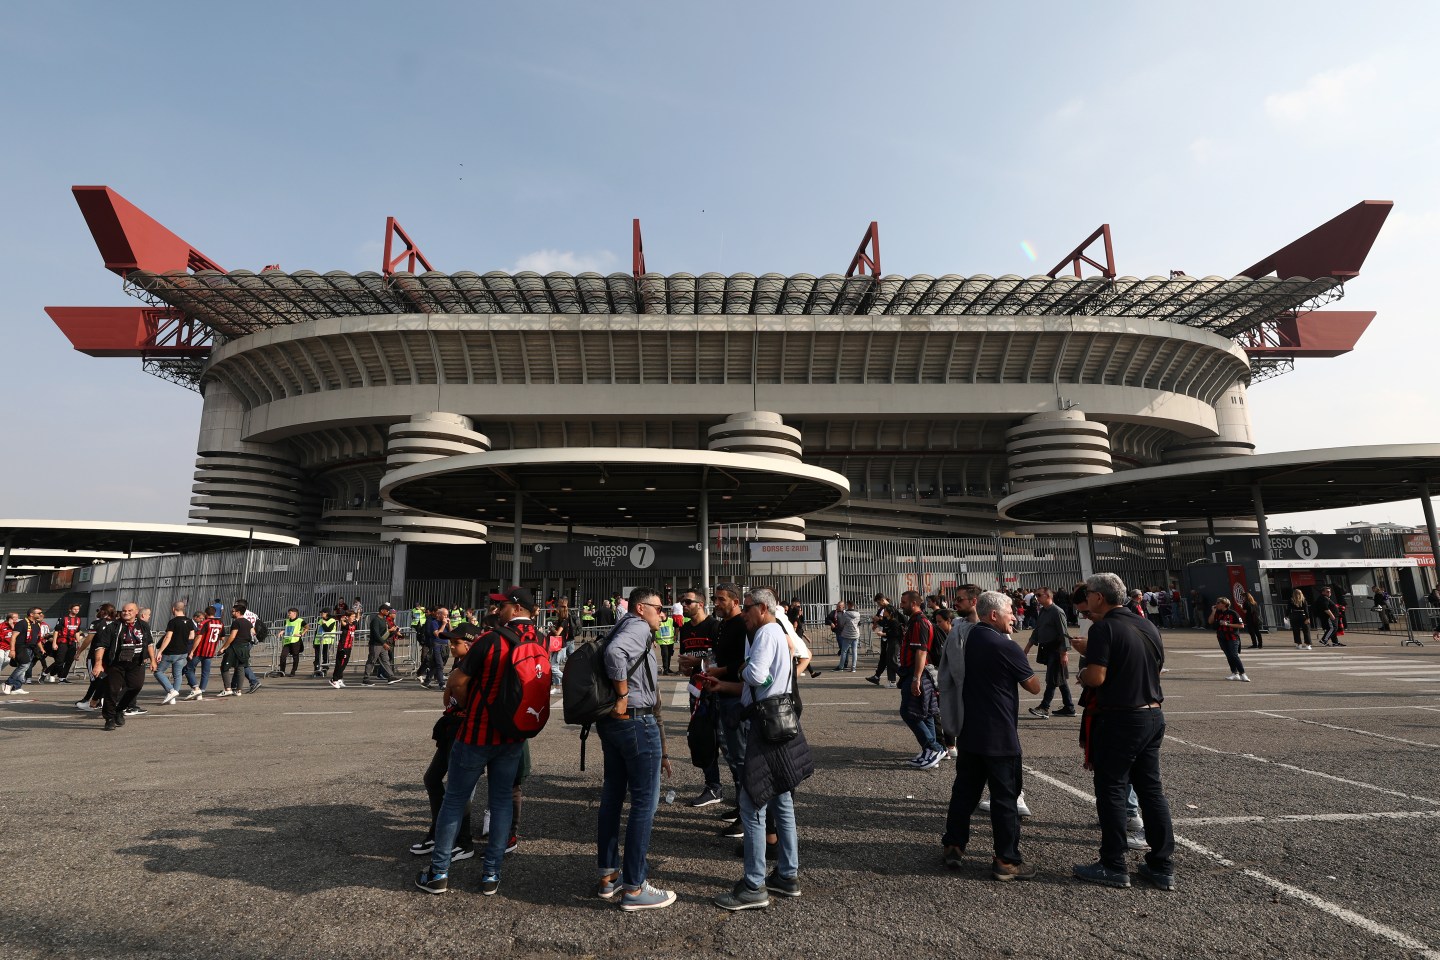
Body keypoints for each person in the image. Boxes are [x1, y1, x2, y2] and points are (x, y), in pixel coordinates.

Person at [414, 586, 542, 897]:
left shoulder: (490, 640)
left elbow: (457, 681)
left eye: (501, 605)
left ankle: (439, 873)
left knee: (454, 800)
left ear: (514, 607)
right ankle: (491, 875)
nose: (497, 610)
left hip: (477, 733)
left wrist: (475, 707)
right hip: (512, 735)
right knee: (500, 804)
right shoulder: (537, 642)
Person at [1073, 572, 1176, 891]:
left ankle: (1113, 863)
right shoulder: (1145, 624)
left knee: (1112, 789)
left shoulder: (1104, 628)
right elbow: (1153, 667)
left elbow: (1097, 677)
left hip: (1120, 718)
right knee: (1151, 790)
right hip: (1153, 714)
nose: (1086, 599)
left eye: (1088, 594)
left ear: (1099, 597)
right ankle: (1161, 865)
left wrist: (1083, 672)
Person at [710, 587, 811, 910]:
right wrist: (727, 684)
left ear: (762, 609)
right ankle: (787, 874)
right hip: (778, 719)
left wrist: (739, 670)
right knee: (781, 799)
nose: (745, 615)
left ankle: (754, 885)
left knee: (752, 803)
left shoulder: (766, 632)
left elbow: (757, 674)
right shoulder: (778, 631)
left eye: (749, 609)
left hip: (765, 725)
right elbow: (765, 681)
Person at [938, 590, 1041, 880]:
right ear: (993, 615)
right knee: (1005, 798)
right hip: (999, 736)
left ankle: (954, 845)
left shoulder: (963, 638)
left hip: (969, 730)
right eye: (1010, 612)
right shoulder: (1003, 646)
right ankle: (1006, 860)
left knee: (964, 792)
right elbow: (1033, 686)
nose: (1015, 617)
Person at [594, 587, 676, 911]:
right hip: (635, 722)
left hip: (614, 725)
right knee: (645, 802)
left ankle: (608, 875)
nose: (663, 614)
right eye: (659, 608)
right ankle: (634, 887)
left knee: (613, 796)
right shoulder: (638, 627)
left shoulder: (623, 623)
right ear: (641, 608)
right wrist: (623, 693)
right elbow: (615, 654)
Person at [676, 587, 724, 808]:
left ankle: (741, 788)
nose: (684, 605)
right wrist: (686, 666)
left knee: (724, 740)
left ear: (701, 604)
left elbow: (719, 659)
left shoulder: (715, 626)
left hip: (716, 690)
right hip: (696, 691)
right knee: (703, 740)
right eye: (682, 602)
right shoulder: (685, 629)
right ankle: (713, 786)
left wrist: (698, 662)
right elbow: (687, 660)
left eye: (688, 602)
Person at [896, 590, 944, 769]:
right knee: (927, 713)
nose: (901, 605)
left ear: (914, 603)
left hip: (918, 673)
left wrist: (916, 678)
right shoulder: (914, 621)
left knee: (909, 711)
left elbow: (921, 651)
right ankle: (930, 752)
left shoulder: (919, 622)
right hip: (916, 672)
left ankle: (934, 748)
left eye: (904, 602)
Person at [95, 603, 156, 731]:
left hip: (136, 663)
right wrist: (98, 663)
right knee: (112, 690)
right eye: (124, 610)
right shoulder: (113, 627)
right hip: (116, 664)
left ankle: (119, 709)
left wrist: (153, 660)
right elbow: (101, 646)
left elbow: (149, 643)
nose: (126, 612)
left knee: (136, 686)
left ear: (136, 612)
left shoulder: (143, 626)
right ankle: (109, 718)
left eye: (129, 610)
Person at [1024, 587, 1075, 718]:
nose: (1037, 598)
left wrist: (1063, 653)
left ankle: (1044, 707)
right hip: (1047, 649)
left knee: (1052, 679)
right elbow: (1037, 629)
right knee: (1060, 678)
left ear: (1048, 596)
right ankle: (1069, 707)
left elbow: (1064, 633)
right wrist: (1028, 646)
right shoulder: (1043, 611)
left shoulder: (1057, 611)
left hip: (1056, 649)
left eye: (1039, 595)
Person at [154, 602, 196, 705]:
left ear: (173, 609)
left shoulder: (173, 622)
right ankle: (173, 698)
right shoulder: (190, 621)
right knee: (177, 675)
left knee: (158, 672)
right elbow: (192, 636)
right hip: (183, 652)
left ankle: (171, 691)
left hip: (171, 652)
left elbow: (168, 637)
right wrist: (182, 637)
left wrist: (160, 651)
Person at [3, 607, 47, 694]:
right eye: (39, 613)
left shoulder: (37, 624)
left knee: (23, 668)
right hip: (21, 647)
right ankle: (8, 683)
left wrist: (41, 649)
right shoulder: (22, 623)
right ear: (31, 614)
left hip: (31, 648)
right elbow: (13, 637)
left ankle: (16, 688)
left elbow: (37, 639)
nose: (41, 614)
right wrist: (12, 650)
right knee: (24, 665)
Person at [183, 609, 225, 700]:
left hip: (200, 650)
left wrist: (192, 651)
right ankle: (201, 691)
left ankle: (196, 688)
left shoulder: (205, 622)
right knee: (205, 672)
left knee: (188, 669)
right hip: (210, 650)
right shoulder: (220, 623)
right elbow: (222, 638)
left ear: (206, 614)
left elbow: (199, 637)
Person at [1208, 598, 1249, 682]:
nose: (1216, 604)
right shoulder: (1217, 613)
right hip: (1221, 637)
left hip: (1232, 637)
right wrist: (1213, 611)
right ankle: (1234, 673)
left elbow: (1241, 626)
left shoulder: (1232, 613)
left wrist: (1228, 624)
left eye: (1218, 602)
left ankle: (1243, 674)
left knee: (1234, 655)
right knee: (1228, 655)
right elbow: (1210, 621)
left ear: (1224, 604)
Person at [865, 595, 901, 687]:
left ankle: (904, 676)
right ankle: (889, 680)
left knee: (891, 660)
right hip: (887, 637)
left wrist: (883, 631)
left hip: (891, 638)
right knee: (887, 658)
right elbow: (884, 622)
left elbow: (892, 628)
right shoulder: (885, 610)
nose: (879, 606)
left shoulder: (891, 611)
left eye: (878, 602)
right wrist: (877, 622)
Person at [364, 603, 401, 685]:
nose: (388, 611)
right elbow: (376, 634)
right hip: (375, 644)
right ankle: (366, 678)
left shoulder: (384, 620)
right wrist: (384, 643)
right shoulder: (376, 620)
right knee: (372, 660)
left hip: (382, 644)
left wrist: (392, 631)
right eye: (387, 610)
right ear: (382, 611)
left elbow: (385, 633)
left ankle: (390, 676)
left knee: (385, 660)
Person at [47, 604, 84, 683]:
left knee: (69, 660)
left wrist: (79, 643)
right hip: (63, 641)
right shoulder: (63, 618)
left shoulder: (78, 619)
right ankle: (49, 672)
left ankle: (62, 678)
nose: (76, 611)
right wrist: (54, 643)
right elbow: (56, 631)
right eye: (74, 609)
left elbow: (77, 632)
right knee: (60, 661)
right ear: (70, 609)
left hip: (72, 642)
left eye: (78, 609)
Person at [328, 611, 359, 688]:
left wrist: (358, 612)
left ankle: (339, 678)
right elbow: (343, 623)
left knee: (344, 663)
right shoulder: (345, 624)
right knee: (340, 664)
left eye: (354, 616)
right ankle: (334, 679)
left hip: (349, 647)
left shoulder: (354, 623)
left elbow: (358, 618)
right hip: (343, 647)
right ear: (348, 617)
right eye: (352, 616)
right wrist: (342, 620)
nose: (353, 618)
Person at [275, 608, 307, 676]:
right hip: (287, 640)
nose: (288, 614)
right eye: (288, 613)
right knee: (283, 656)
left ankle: (293, 671)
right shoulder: (287, 621)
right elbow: (285, 628)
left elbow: (307, 627)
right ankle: (282, 671)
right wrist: (282, 631)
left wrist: (301, 634)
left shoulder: (300, 621)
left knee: (295, 656)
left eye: (290, 613)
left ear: (294, 613)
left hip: (295, 641)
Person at [312, 608, 338, 677]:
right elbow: (317, 631)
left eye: (323, 613)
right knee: (317, 656)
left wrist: (324, 624)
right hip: (318, 640)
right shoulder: (320, 620)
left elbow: (328, 629)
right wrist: (314, 641)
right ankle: (317, 670)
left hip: (327, 640)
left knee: (325, 656)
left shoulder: (332, 620)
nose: (321, 614)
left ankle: (324, 669)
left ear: (327, 613)